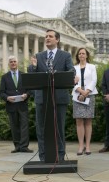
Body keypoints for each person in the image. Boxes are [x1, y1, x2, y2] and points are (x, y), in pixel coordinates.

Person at [28, 29, 74, 162]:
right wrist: (34, 66)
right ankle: (43, 157)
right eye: (46, 36)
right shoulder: (38, 56)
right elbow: (31, 74)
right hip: (42, 99)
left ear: (57, 39)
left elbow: (71, 70)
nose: (47, 38)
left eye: (50, 36)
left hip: (59, 98)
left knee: (59, 128)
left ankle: (60, 156)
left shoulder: (65, 55)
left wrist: (71, 75)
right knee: (41, 129)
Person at [0, 55, 33, 153]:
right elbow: (1, 92)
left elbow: (29, 89)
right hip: (11, 105)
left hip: (23, 105)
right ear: (9, 64)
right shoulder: (4, 77)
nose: (13, 63)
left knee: (24, 126)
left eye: (14, 61)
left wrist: (26, 95)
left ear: (17, 63)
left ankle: (24, 146)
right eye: (11, 62)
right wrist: (7, 98)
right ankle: (17, 146)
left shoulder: (24, 75)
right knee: (14, 126)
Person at [72, 48, 98, 155]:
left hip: (89, 94)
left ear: (87, 55)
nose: (81, 55)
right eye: (80, 53)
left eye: (83, 53)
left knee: (88, 121)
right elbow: (72, 81)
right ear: (77, 56)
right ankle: (80, 146)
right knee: (79, 121)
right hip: (77, 95)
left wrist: (86, 93)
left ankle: (87, 146)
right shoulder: (73, 68)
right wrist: (81, 92)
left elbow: (94, 80)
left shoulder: (92, 67)